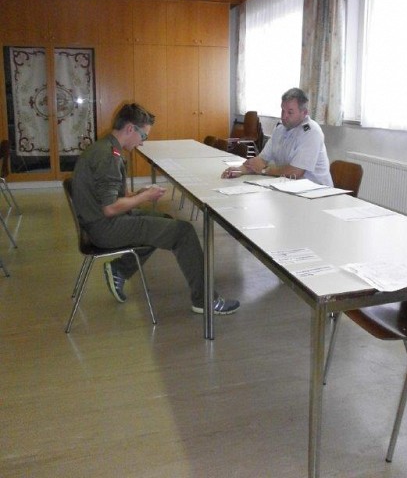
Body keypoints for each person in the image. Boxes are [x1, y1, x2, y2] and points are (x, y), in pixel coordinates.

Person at [72, 102, 239, 315]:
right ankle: (205, 301)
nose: (142, 143)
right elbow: (110, 208)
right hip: (104, 228)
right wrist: (145, 197)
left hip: (98, 222)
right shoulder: (108, 157)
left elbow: (113, 197)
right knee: (184, 232)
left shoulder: (105, 147)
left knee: (165, 220)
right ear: (130, 129)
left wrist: (139, 193)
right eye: (143, 136)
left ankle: (119, 269)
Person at [222, 88, 332, 185]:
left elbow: (296, 172)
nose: (284, 116)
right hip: (290, 186)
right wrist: (240, 170)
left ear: (304, 113)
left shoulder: (311, 132)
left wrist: (265, 170)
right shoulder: (280, 128)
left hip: (317, 191)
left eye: (290, 112)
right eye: (283, 110)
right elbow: (262, 160)